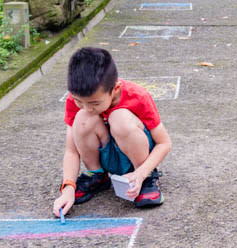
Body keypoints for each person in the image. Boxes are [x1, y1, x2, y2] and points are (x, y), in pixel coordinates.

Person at [52, 47, 171, 214]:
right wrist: (68, 188)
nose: (87, 107)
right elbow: (71, 151)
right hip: (106, 151)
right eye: (79, 101)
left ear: (115, 88)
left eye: (95, 103)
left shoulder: (137, 96)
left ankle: (146, 181)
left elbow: (164, 143)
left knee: (119, 118)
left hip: (138, 157)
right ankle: (97, 175)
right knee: (83, 118)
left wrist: (142, 173)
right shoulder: (77, 99)